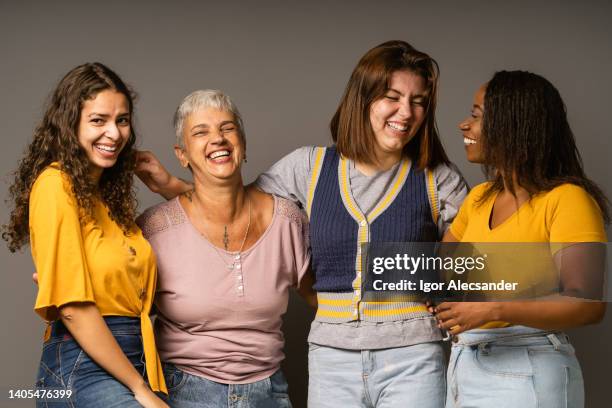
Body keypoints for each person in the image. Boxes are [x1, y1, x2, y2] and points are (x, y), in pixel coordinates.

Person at [136, 41, 468, 407]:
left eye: (418, 101)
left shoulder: (439, 180)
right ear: (363, 99)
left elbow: (482, 269)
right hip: (333, 359)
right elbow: (233, 203)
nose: (406, 112)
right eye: (392, 96)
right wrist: (173, 186)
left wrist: (439, 289)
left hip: (414, 357)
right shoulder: (307, 168)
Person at [435, 71, 608, 408]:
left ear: (514, 124)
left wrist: (492, 308)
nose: (463, 125)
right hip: (465, 364)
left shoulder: (568, 199)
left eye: (476, 115)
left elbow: (588, 305)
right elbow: (440, 270)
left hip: (527, 368)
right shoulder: (480, 197)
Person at [2, 63, 168, 407]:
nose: (114, 133)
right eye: (98, 120)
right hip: (83, 365)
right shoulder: (55, 184)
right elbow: (75, 308)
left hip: (132, 356)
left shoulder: (107, 201)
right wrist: (139, 389)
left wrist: (169, 186)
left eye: (122, 120)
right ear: (69, 123)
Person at [136, 89, 313, 408]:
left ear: (242, 145)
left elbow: (328, 303)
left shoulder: (287, 221)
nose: (217, 138)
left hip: (270, 393)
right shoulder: (155, 229)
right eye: (200, 132)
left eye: (227, 128)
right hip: (183, 392)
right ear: (182, 155)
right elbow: (123, 317)